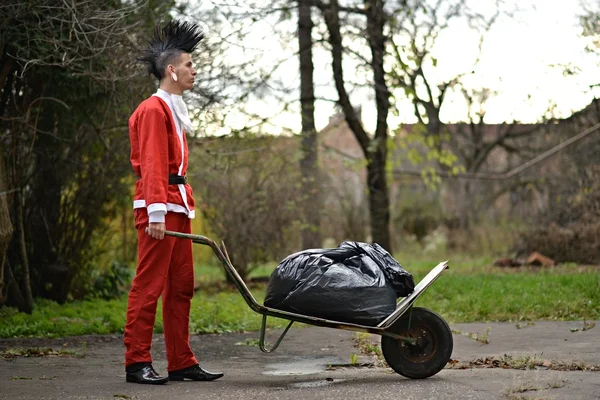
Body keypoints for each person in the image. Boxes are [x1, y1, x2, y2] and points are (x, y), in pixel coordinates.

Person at [124, 19, 223, 385]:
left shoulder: (174, 109)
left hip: (177, 206)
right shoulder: (153, 110)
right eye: (189, 65)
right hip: (159, 209)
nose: (194, 71)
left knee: (181, 285)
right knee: (149, 285)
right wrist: (156, 212)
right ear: (171, 70)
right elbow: (151, 164)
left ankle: (181, 362)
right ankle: (137, 362)